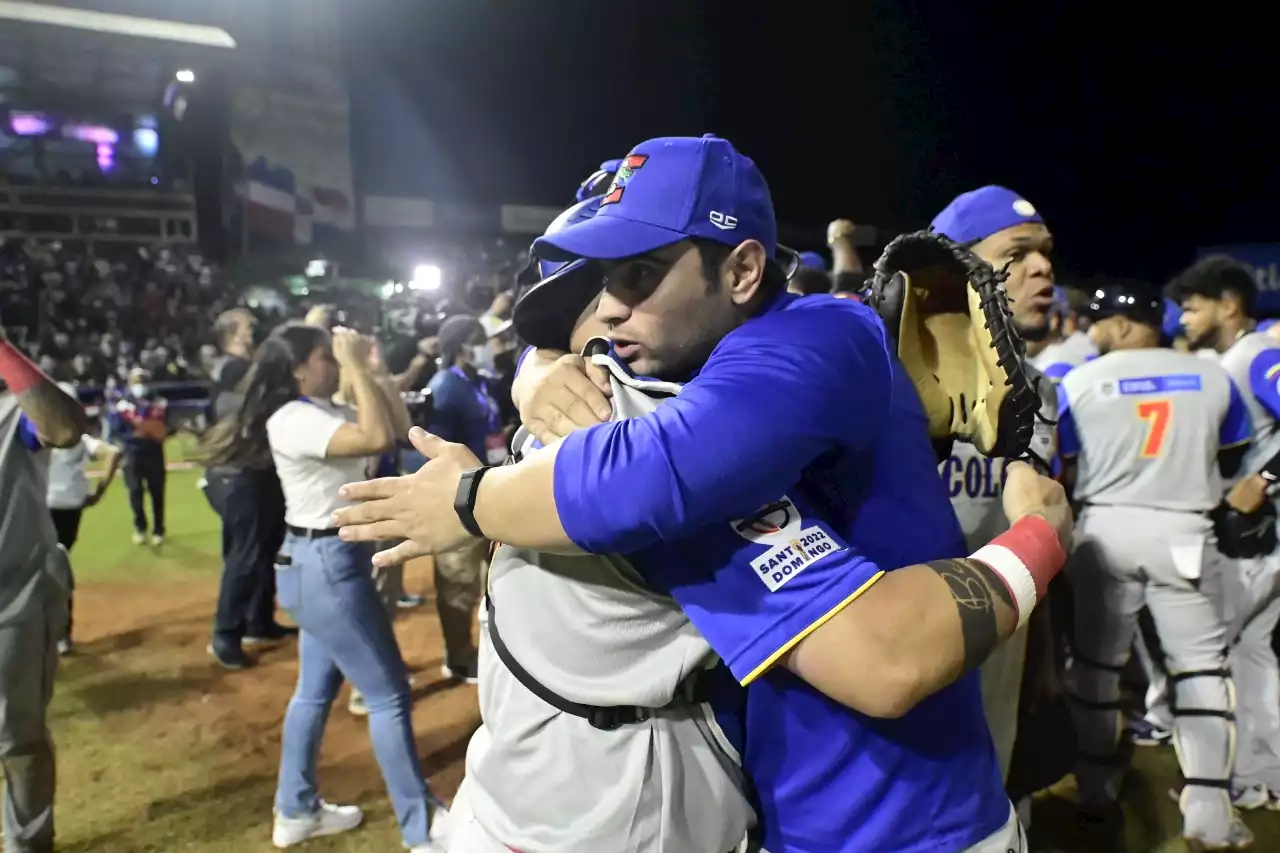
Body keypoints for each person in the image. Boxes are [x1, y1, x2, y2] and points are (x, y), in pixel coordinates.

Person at [335, 135, 1075, 853]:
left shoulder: (810, 340)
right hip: (772, 798)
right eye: (594, 289)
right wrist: (540, 365)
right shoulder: (663, 386)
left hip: (905, 816)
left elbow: (881, 657)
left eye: (639, 274)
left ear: (744, 271)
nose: (612, 310)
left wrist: (468, 497)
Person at [204, 322, 447, 850]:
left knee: (313, 694)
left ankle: (295, 810)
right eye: (324, 357)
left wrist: (376, 371)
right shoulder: (293, 418)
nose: (334, 364)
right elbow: (375, 438)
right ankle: (422, 829)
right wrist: (357, 367)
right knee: (388, 695)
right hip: (326, 566)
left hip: (323, 565)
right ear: (295, 368)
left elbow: (399, 427)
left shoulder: (319, 412)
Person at [1058, 279, 1253, 849]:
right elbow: (1231, 449)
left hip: (1108, 527)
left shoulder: (1082, 378)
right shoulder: (1213, 374)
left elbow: (1062, 460)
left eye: (1099, 321)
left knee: (1096, 667)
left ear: (1123, 326)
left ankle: (1094, 790)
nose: (1092, 331)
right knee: (1201, 672)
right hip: (1185, 530)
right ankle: (1209, 814)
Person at [928, 187, 1062, 817]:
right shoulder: (878, 373)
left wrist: (1043, 658)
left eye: (1046, 253)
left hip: (1003, 639)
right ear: (958, 268)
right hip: (900, 639)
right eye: (1018, 254)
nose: (1043, 269)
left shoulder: (1043, 391)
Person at [1171, 255, 1280, 809]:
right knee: (1252, 655)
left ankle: (1219, 781)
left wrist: (1265, 478)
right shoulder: (1235, 357)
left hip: (1260, 536)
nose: (1183, 317)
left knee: (1204, 651)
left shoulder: (1256, 354)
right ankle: (1261, 778)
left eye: (1193, 307)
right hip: (1258, 536)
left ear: (1229, 305)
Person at [0, 322, 87, 853]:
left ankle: (28, 843)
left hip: (11, 604)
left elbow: (63, 430)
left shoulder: (15, 411)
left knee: (18, 737)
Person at [202, 309, 294, 671]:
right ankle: (226, 633)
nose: (255, 332)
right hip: (239, 473)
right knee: (246, 554)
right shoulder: (231, 369)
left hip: (258, 471)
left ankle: (259, 620)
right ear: (230, 335)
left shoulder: (245, 370)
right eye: (248, 328)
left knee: (264, 548)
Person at [426, 314, 504, 684]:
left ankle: (494, 651)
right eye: (479, 340)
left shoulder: (478, 382)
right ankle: (457, 657)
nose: (487, 347)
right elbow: (436, 449)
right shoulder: (445, 385)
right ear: (461, 347)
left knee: (495, 578)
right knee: (458, 582)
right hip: (456, 495)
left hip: (488, 487)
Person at [45, 383, 122, 655]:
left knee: (34, 570)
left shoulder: (34, 430)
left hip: (40, 508)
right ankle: (62, 635)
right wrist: (99, 491)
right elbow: (113, 453)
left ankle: (39, 634)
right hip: (69, 508)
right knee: (59, 565)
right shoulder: (78, 437)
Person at [110, 367, 168, 545]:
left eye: (142, 381)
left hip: (154, 452)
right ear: (129, 383)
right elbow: (115, 432)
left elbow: (167, 428)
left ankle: (159, 529)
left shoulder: (159, 403)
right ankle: (140, 527)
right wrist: (133, 436)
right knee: (135, 491)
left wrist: (159, 433)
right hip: (132, 453)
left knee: (157, 492)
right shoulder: (122, 406)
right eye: (136, 381)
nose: (140, 385)